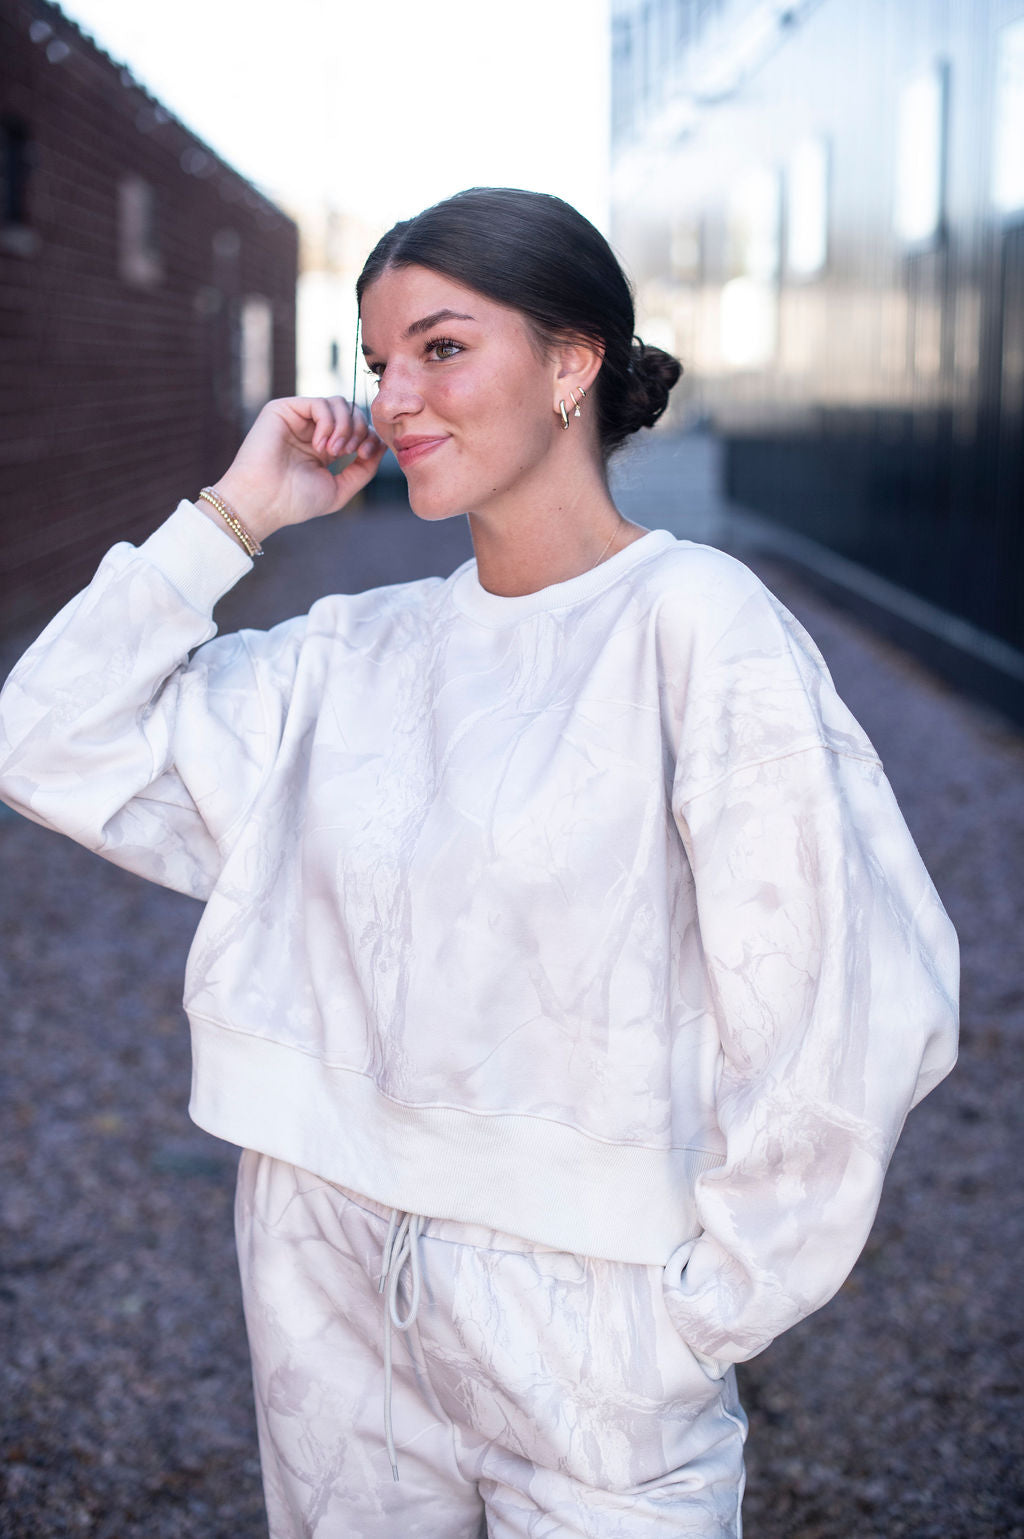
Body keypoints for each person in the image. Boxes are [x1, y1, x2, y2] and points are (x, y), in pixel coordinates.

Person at [0, 188, 958, 1539]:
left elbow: (845, 997)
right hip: (320, 1280)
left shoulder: (695, 627)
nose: (396, 396)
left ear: (573, 364)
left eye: (442, 349)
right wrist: (232, 515)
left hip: (593, 1327)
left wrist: (699, 1314)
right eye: (379, 358)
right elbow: (47, 742)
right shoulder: (350, 649)